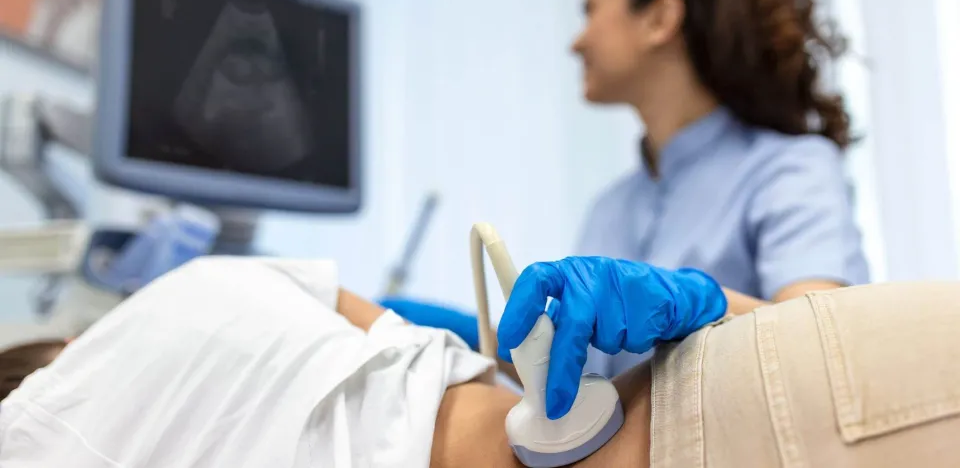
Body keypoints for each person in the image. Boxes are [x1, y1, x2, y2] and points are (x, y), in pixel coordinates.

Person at [381, 0, 869, 381]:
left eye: (591, 10)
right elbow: (589, 392)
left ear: (659, 19)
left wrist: (702, 306)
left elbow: (825, 349)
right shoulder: (609, 210)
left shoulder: (790, 170)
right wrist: (483, 341)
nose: (577, 42)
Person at [1, 256, 959, 468]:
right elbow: (467, 361)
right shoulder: (203, 285)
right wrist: (708, 305)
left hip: (732, 422)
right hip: (738, 388)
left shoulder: (43, 420)